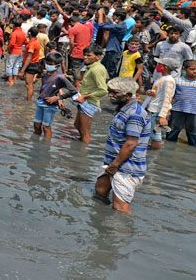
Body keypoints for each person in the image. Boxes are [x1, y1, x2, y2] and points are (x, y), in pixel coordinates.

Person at [94, 77, 150, 214]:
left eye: (115, 93)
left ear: (128, 95)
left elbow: (131, 143)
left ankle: (121, 232)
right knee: (100, 190)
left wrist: (115, 165)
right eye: (110, 91)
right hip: (114, 163)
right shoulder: (123, 109)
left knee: (120, 209)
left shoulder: (135, 114)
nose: (110, 95)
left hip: (126, 168)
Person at [166, 59, 196, 147]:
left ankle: (194, 150)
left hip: (195, 112)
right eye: (192, 69)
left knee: (193, 134)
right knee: (173, 132)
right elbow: (171, 96)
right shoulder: (177, 81)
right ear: (184, 69)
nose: (195, 71)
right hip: (177, 110)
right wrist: (168, 110)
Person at [33, 52, 77, 139]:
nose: (48, 65)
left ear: (57, 66)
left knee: (46, 127)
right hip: (40, 102)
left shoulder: (60, 77)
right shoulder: (44, 75)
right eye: (47, 63)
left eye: (50, 64)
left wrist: (58, 98)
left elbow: (74, 91)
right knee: (36, 125)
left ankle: (46, 147)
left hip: (50, 106)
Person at [73, 45, 108, 143]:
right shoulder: (89, 67)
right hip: (84, 101)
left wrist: (84, 96)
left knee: (85, 131)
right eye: (84, 55)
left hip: (89, 102)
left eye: (89, 55)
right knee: (77, 125)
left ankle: (83, 154)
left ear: (98, 57)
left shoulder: (96, 69)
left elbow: (103, 90)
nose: (85, 57)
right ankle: (81, 144)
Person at [145, 57, 178, 149]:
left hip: (158, 112)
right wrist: (149, 92)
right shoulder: (161, 78)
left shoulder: (169, 80)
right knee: (152, 133)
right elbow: (156, 93)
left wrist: (162, 116)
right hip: (154, 109)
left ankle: (155, 156)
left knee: (155, 135)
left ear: (165, 67)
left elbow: (167, 98)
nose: (157, 66)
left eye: (160, 64)